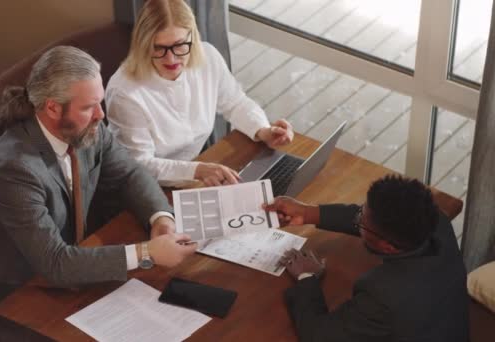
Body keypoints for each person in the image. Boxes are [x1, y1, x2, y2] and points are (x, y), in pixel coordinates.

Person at [0, 46, 197, 341]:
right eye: (89, 107)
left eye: (99, 103)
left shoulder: (85, 128)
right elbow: (56, 264)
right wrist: (147, 253)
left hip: (69, 267)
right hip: (13, 299)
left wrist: (160, 220)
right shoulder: (12, 171)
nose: (101, 115)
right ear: (53, 108)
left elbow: (130, 173)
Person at [105, 0, 294, 187]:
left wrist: (263, 130)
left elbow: (235, 103)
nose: (171, 58)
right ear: (144, 44)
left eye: (179, 45)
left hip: (197, 173)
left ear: (192, 37)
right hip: (146, 189)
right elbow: (140, 164)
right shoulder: (124, 93)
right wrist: (197, 170)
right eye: (159, 47)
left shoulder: (208, 56)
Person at [263, 174, 468, 342]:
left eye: (361, 221)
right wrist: (307, 213)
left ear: (387, 246)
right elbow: (373, 219)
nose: (357, 217)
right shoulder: (436, 222)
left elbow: (318, 336)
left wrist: (306, 277)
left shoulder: (383, 297)